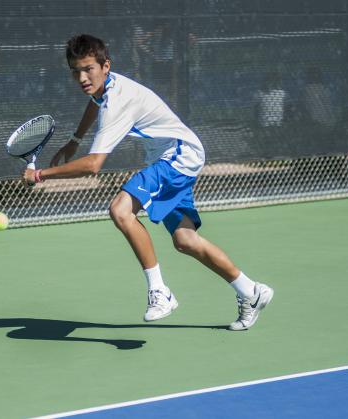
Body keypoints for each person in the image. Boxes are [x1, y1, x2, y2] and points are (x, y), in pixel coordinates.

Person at [23, 34, 274, 331]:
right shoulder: (106, 85)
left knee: (120, 209)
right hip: (174, 156)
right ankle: (251, 292)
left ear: (106, 65)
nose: (82, 77)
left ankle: (160, 292)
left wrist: (39, 175)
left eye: (88, 69)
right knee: (185, 240)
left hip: (178, 155)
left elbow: (93, 166)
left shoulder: (118, 101)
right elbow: (94, 102)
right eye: (75, 71)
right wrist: (75, 140)